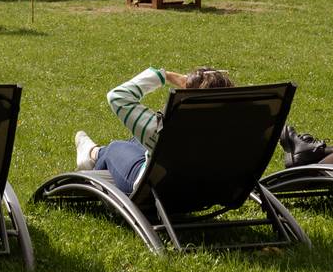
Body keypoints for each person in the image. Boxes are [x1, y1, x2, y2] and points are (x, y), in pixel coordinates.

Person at [74, 66, 235, 195]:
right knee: (135, 141)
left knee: (116, 147)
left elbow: (117, 96)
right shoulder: (236, 128)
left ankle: (94, 153)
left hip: (157, 189)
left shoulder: (168, 130)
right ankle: (96, 158)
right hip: (207, 189)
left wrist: (165, 76)